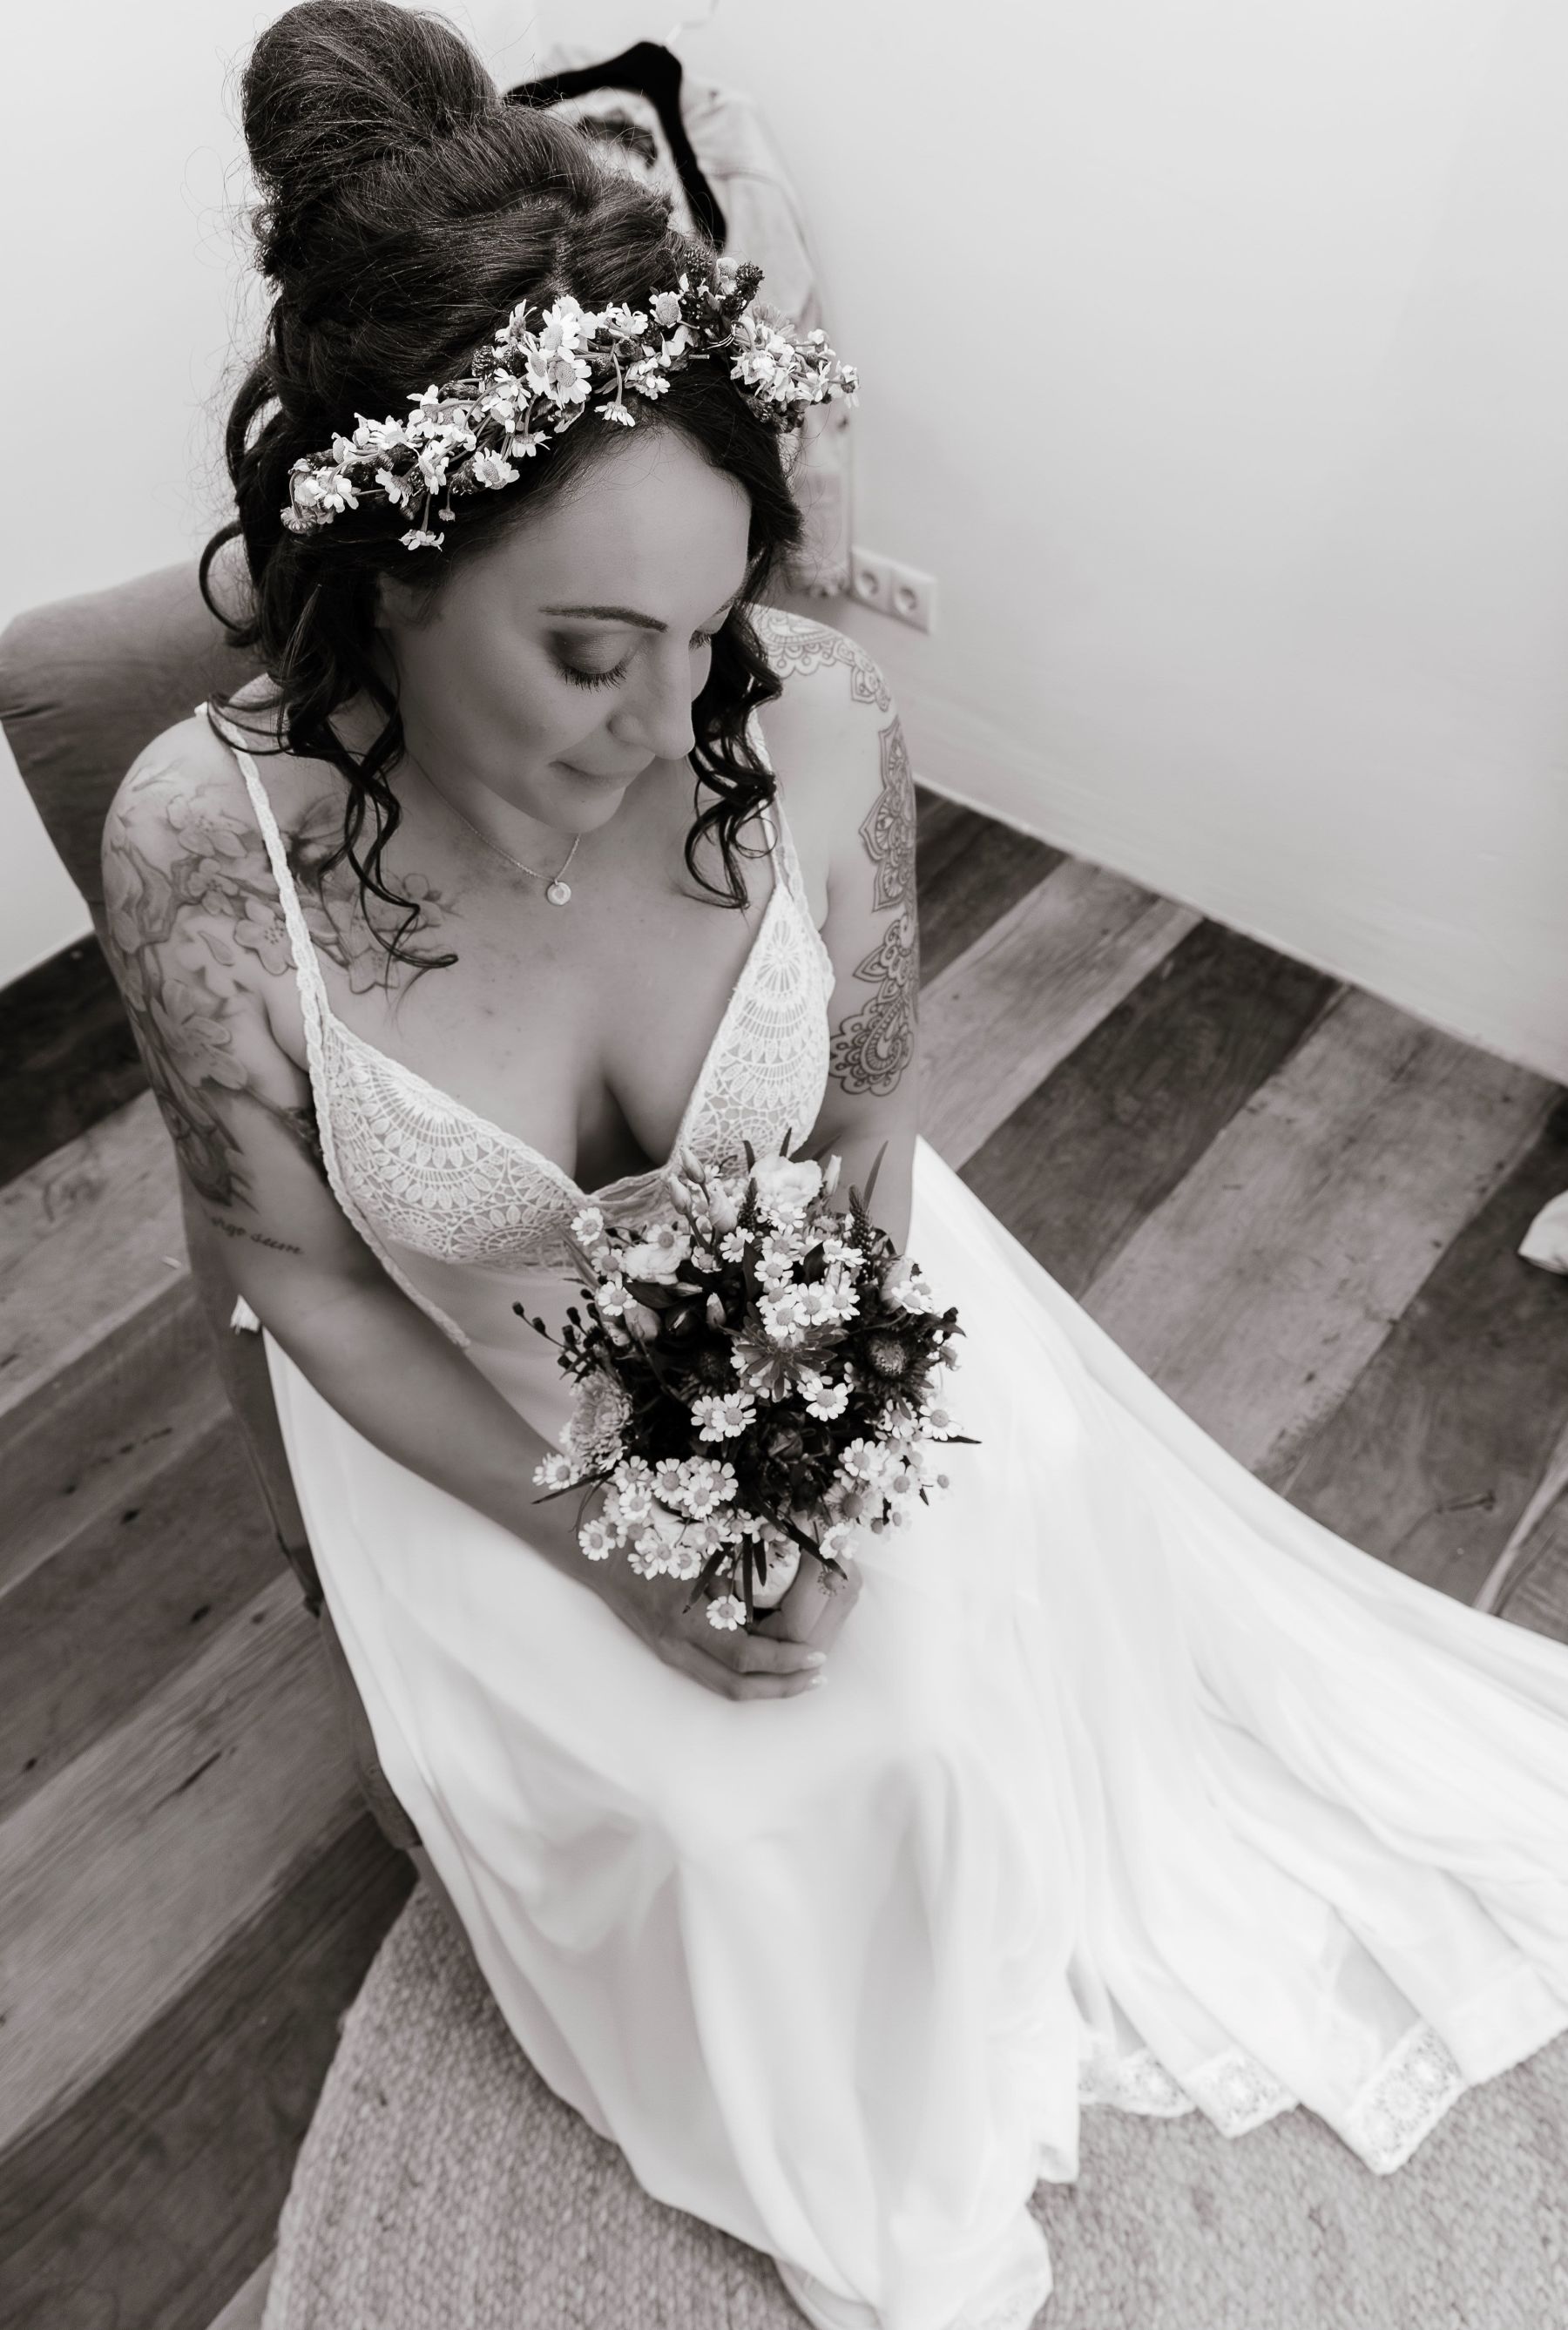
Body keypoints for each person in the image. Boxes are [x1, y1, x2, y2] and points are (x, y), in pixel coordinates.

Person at [100, 8, 1568, 2327]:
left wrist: (824, 1441)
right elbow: (311, 1284)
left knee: (961, 1707)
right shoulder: (202, 853)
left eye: (706, 629)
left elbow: (868, 1118)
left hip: (819, 1301)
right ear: (391, 572)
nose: (670, 715)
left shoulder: (809, 720)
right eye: (591, 649)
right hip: (469, 1403)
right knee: (721, 1816)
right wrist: (609, 1534)